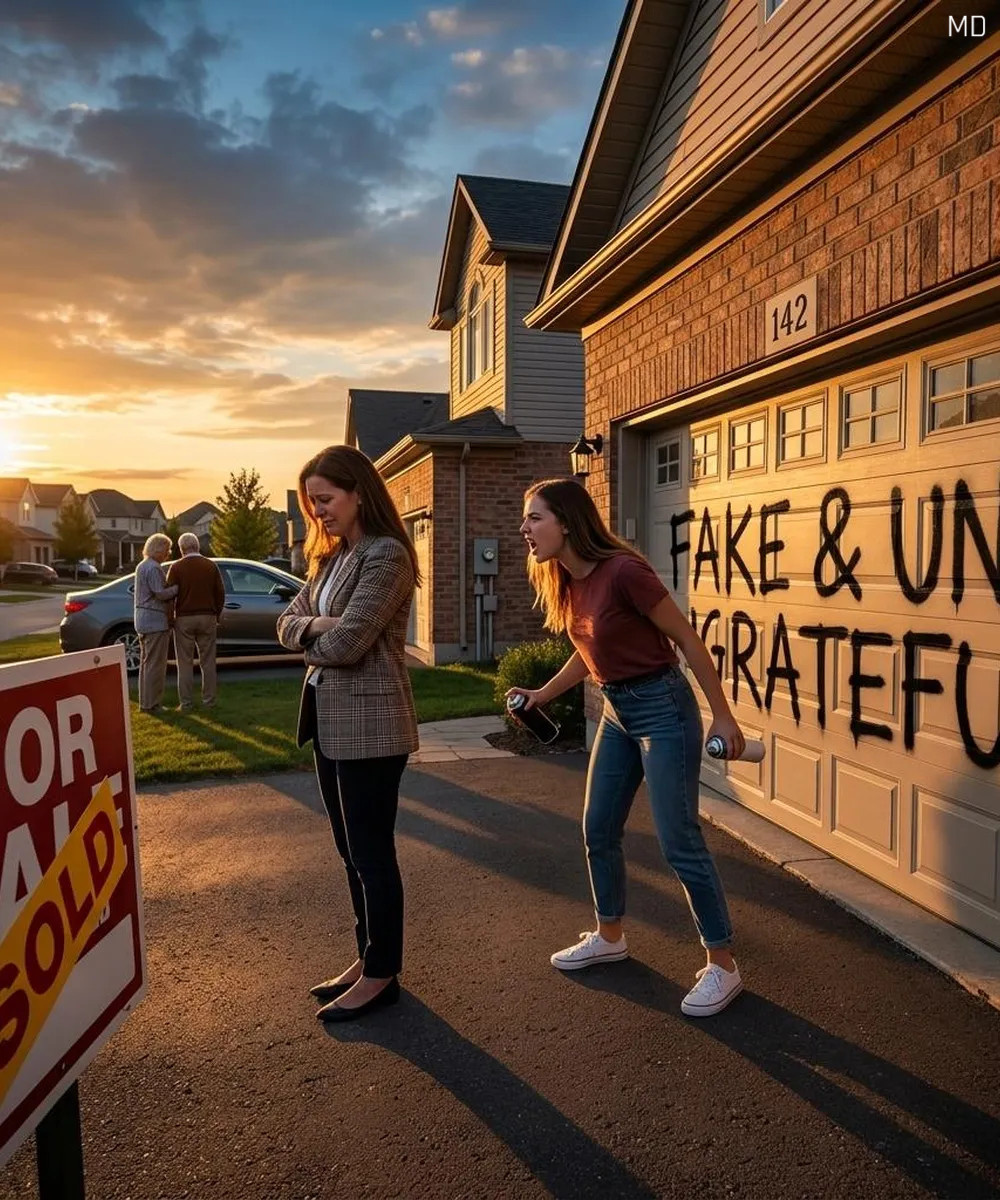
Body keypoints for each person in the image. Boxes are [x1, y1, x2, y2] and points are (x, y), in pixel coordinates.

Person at [508, 477, 748, 1018]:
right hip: (618, 712)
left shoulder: (624, 572)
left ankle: (723, 965)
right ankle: (609, 935)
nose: (525, 528)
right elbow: (588, 648)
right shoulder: (566, 579)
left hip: (663, 708)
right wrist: (542, 694)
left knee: (678, 840)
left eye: (535, 517)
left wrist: (723, 716)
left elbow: (687, 639)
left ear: (567, 522)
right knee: (597, 828)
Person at [276, 445, 419, 1023]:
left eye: (326, 499)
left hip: (373, 727)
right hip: (329, 721)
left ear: (359, 492)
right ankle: (367, 957)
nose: (318, 512)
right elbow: (284, 622)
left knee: (371, 853)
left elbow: (349, 644)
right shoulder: (332, 558)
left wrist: (317, 633)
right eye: (311, 502)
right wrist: (316, 623)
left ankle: (382, 974)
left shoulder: (386, 556)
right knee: (348, 850)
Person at [166, 532, 225, 711]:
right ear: (197, 546)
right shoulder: (210, 566)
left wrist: (170, 619)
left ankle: (186, 703)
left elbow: (170, 596)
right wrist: (216, 614)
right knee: (208, 662)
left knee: (184, 663)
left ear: (182, 549)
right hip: (207, 616)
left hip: (184, 618)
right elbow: (220, 593)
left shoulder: (176, 567)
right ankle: (209, 700)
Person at [134, 533, 178, 714]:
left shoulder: (142, 565)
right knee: (156, 665)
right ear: (158, 549)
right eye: (166, 550)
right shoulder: (153, 568)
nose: (168, 554)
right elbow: (160, 594)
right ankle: (153, 704)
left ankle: (145, 702)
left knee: (146, 664)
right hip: (155, 620)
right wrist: (177, 588)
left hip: (143, 619)